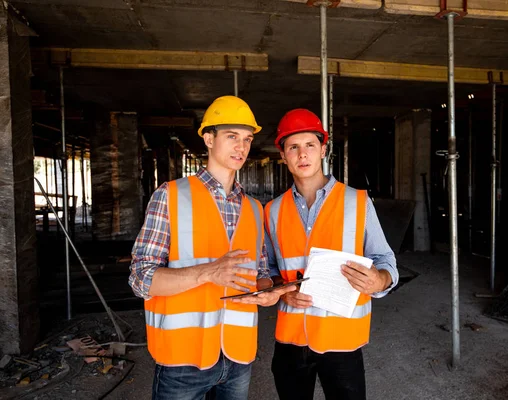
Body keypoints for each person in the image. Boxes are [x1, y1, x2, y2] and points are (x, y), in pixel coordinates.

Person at [129, 95, 295, 400]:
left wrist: (266, 292)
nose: (241, 147)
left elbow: (257, 275)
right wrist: (207, 272)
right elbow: (140, 279)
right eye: (232, 137)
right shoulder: (170, 196)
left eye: (247, 139)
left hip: (238, 357)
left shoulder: (255, 209)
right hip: (183, 359)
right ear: (208, 139)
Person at [264, 108, 399, 400]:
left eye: (310, 145)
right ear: (283, 155)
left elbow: (386, 262)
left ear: (323, 149)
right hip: (291, 340)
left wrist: (380, 281)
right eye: (293, 147)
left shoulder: (357, 202)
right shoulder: (272, 211)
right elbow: (268, 269)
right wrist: (282, 291)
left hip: (342, 343)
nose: (303, 154)